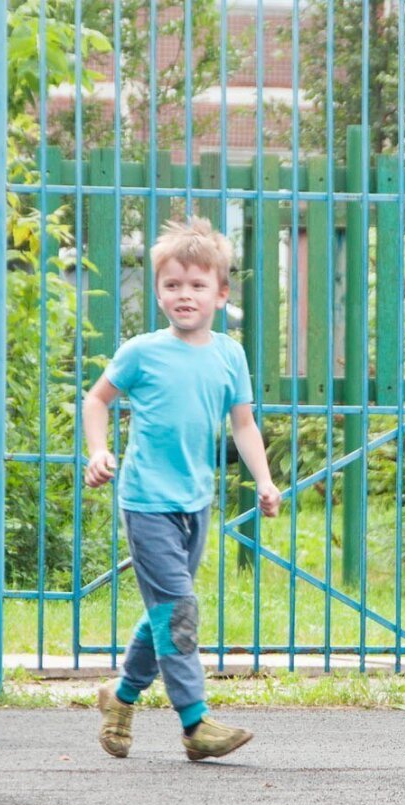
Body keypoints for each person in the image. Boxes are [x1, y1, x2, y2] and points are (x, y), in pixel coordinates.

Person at [81, 217, 282, 761]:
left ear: (220, 293)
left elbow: (243, 424)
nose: (184, 295)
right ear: (158, 291)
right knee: (179, 609)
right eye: (172, 285)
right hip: (146, 500)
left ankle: (120, 696)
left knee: (168, 611)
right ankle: (195, 722)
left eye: (197, 285)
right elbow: (96, 400)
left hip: (196, 501)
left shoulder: (229, 355)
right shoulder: (142, 351)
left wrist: (264, 481)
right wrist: (98, 452)